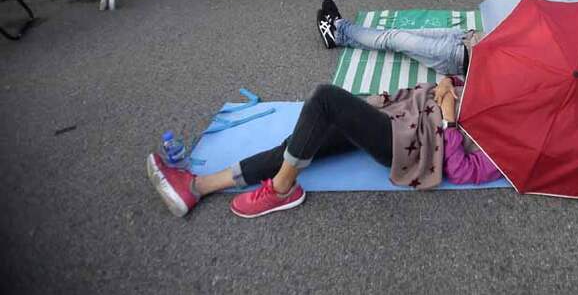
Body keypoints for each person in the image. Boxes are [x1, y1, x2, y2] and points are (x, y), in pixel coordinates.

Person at [147, 75, 501, 218]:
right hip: (399, 112)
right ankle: (198, 186)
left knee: (326, 99)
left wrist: (449, 118)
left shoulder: (517, 143)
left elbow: (463, 170)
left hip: (410, 145)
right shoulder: (500, 80)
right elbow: (452, 81)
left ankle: (282, 189)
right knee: (301, 142)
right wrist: (447, 83)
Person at [317, 0, 472, 76]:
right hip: (462, 37)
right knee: (398, 36)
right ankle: (339, 38)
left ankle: (339, 24)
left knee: (392, 38)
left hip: (456, 55)